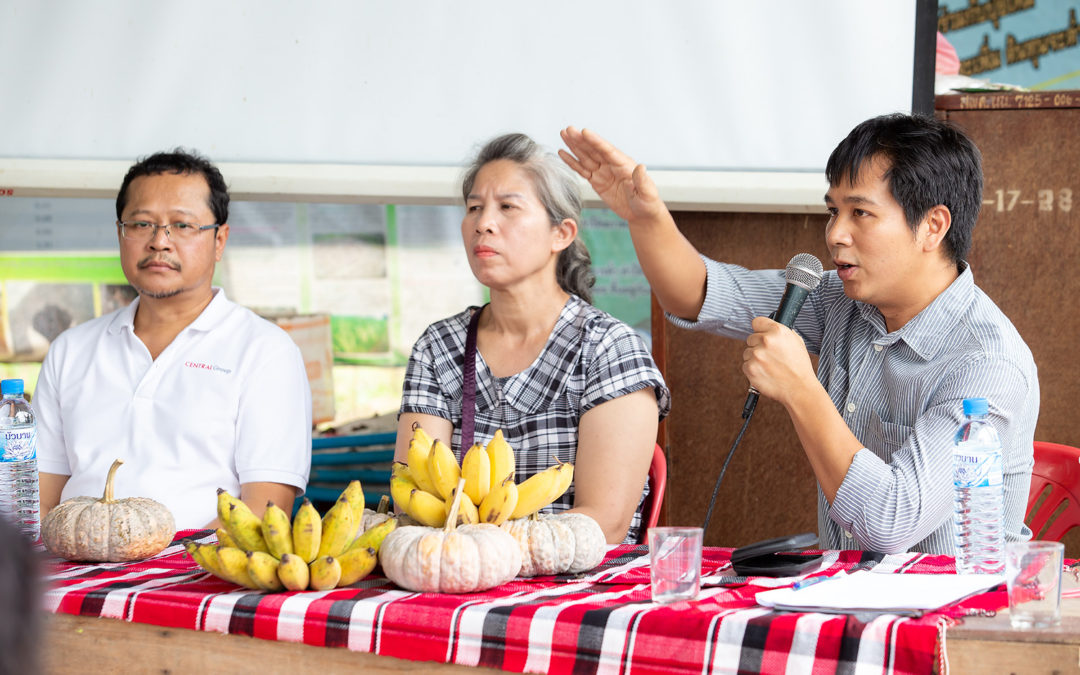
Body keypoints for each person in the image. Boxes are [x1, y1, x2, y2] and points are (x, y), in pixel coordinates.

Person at [559, 114, 1039, 555]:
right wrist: (646, 218)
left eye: (861, 214)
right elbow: (698, 294)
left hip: (957, 620)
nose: (835, 234)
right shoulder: (839, 300)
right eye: (833, 211)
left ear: (932, 226)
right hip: (850, 601)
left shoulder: (987, 364)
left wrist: (800, 388)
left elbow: (891, 521)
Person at [396, 133, 671, 544]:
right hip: (456, 579)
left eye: (507, 207)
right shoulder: (438, 347)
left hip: (579, 591)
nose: (483, 223)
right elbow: (413, 502)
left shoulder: (609, 349)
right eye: (474, 208)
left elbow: (606, 522)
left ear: (560, 234)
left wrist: (496, 554)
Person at [33, 149, 312, 530]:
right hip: (75, 571)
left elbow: (263, 513)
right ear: (120, 234)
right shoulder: (71, 350)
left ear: (219, 240)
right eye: (142, 224)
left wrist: (163, 569)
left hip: (199, 578)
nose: (159, 242)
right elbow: (40, 500)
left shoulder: (264, 351)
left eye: (182, 225)